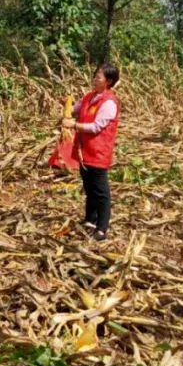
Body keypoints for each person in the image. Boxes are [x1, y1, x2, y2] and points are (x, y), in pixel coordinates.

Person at [62, 63, 121, 241]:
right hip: (84, 151)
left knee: (101, 191)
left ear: (108, 81)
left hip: (98, 152)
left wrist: (74, 125)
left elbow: (96, 127)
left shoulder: (109, 102)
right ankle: (90, 220)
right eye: (95, 76)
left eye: (99, 77)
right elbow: (75, 110)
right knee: (89, 187)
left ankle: (102, 228)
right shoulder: (89, 96)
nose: (95, 79)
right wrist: (66, 106)